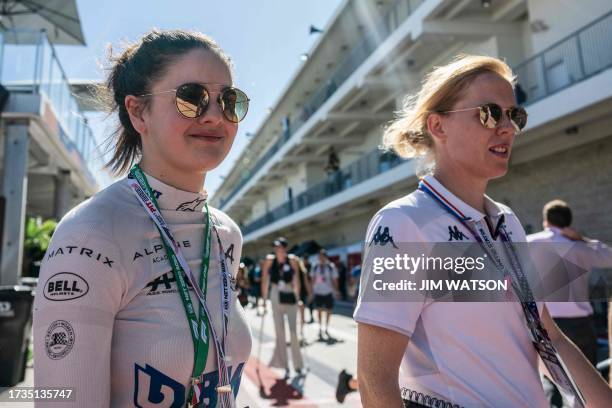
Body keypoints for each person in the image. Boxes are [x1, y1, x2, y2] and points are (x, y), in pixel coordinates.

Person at [354, 54, 612, 407]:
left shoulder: (509, 221)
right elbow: (375, 381)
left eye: (514, 115)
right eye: (489, 113)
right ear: (438, 126)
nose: (506, 127)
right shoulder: (403, 224)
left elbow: (547, 332)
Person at [33, 29, 252, 407]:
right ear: (138, 112)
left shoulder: (226, 234)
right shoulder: (91, 233)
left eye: (229, 100)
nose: (216, 116)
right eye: (192, 98)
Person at [528, 199, 612, 407]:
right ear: (568, 222)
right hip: (581, 324)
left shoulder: (530, 243)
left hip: (547, 323)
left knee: (551, 381)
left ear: (546, 221)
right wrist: (583, 239)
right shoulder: (578, 247)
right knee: (589, 382)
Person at [261, 237, 304, 377]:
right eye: (276, 247)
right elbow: (265, 280)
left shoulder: (292, 260)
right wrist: (263, 299)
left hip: (289, 293)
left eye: (280, 247)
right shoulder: (269, 260)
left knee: (293, 331)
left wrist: (298, 297)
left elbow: (296, 279)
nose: (278, 249)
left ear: (285, 248)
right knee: (280, 332)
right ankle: (285, 366)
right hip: (275, 293)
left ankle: (298, 365)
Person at [310, 249, 340, 341]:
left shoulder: (331, 267)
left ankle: (326, 327)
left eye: (323, 256)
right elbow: (312, 279)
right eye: (320, 256)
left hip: (328, 292)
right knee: (318, 310)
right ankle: (320, 327)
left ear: (326, 257)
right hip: (318, 292)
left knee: (329, 310)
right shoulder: (315, 267)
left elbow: (335, 280)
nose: (321, 258)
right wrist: (311, 291)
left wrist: (337, 291)